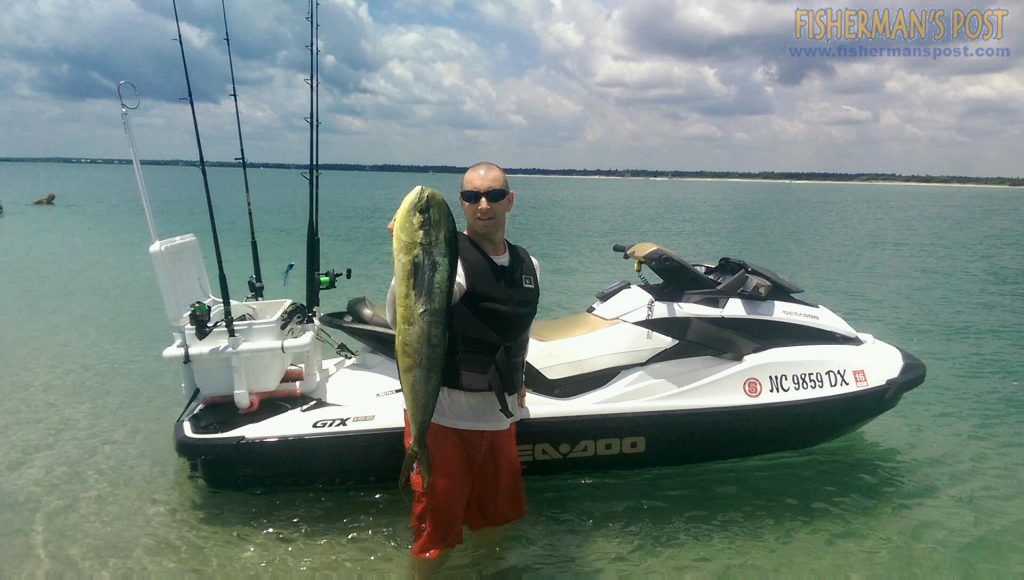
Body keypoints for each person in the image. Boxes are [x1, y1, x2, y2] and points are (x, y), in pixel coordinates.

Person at [386, 162, 540, 563]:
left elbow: (517, 333)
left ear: (511, 201)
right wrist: (407, 257)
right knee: (434, 537)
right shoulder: (448, 262)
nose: (483, 205)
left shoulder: (529, 265)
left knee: (496, 524)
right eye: (472, 196)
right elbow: (404, 318)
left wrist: (519, 378)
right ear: (462, 203)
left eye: (493, 195)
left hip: (499, 419)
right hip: (444, 422)